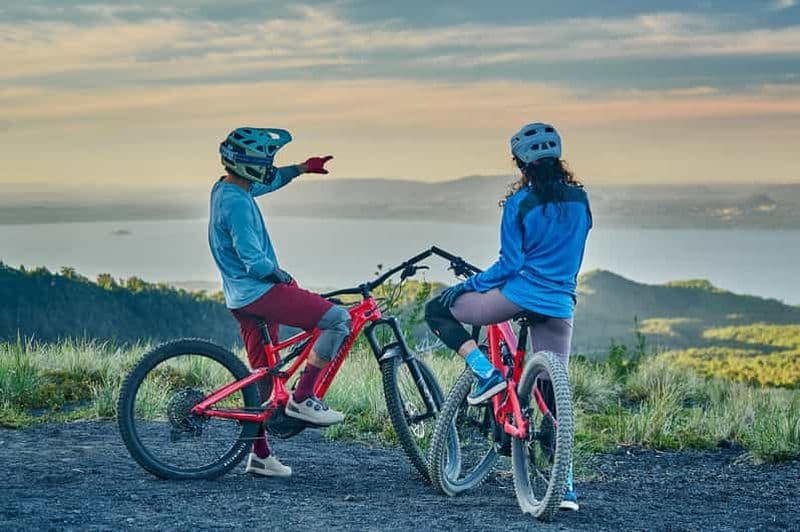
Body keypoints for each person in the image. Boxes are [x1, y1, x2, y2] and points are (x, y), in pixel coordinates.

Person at [424, 122, 591, 510]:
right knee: (553, 392)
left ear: (520, 163)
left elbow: (508, 264)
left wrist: (466, 286)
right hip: (561, 303)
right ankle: (563, 486)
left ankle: (487, 373)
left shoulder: (520, 203)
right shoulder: (581, 200)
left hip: (518, 295)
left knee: (437, 309)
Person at [208, 127, 351, 479]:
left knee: (262, 379)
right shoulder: (239, 205)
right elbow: (252, 260)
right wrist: (280, 275)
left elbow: (267, 184)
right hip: (260, 292)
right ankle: (304, 398)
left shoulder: (226, 188)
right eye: (265, 161)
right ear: (249, 165)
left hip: (239, 299)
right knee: (337, 320)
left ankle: (259, 456)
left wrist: (301, 168)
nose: (269, 166)